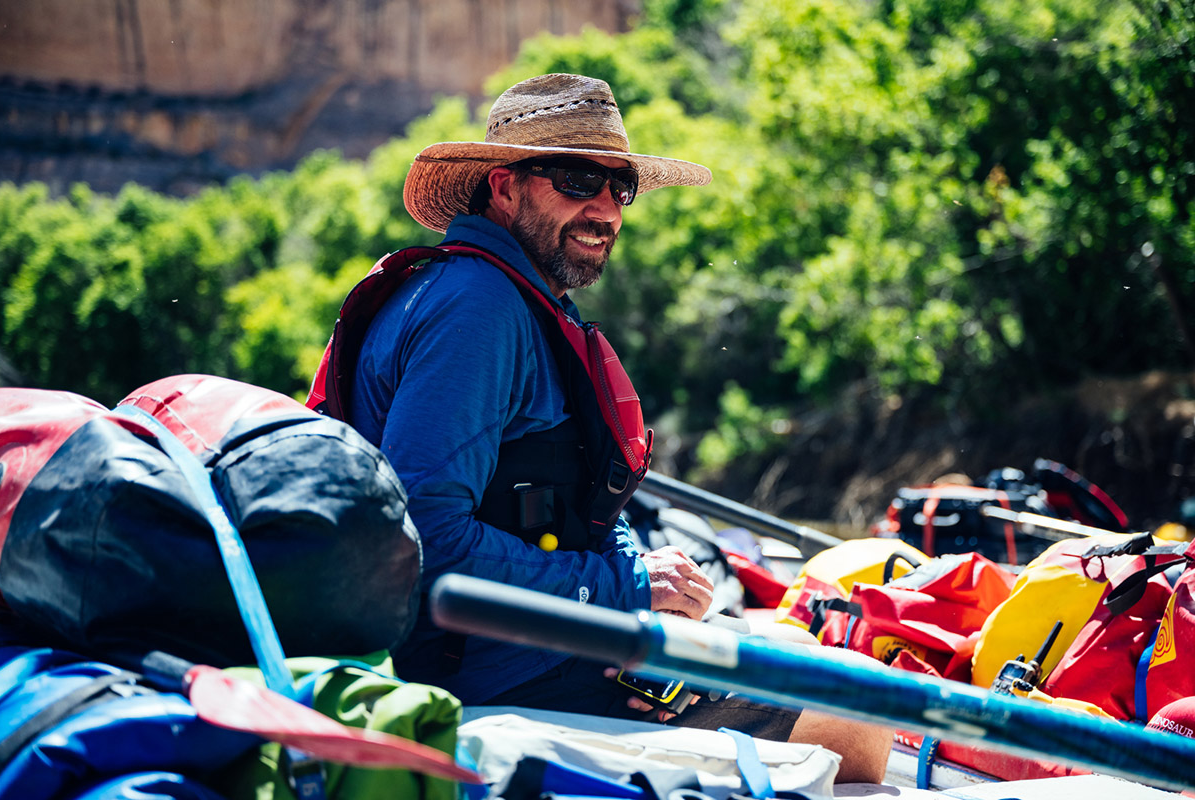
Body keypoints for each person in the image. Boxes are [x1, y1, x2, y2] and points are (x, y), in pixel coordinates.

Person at [328, 73, 890, 782]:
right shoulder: (478, 310)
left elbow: (571, 501)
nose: (604, 208)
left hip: (554, 648)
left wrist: (644, 586)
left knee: (807, 651)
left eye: (617, 188)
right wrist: (624, 589)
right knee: (862, 712)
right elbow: (426, 542)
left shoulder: (506, 296)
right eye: (574, 179)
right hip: (503, 679)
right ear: (503, 190)